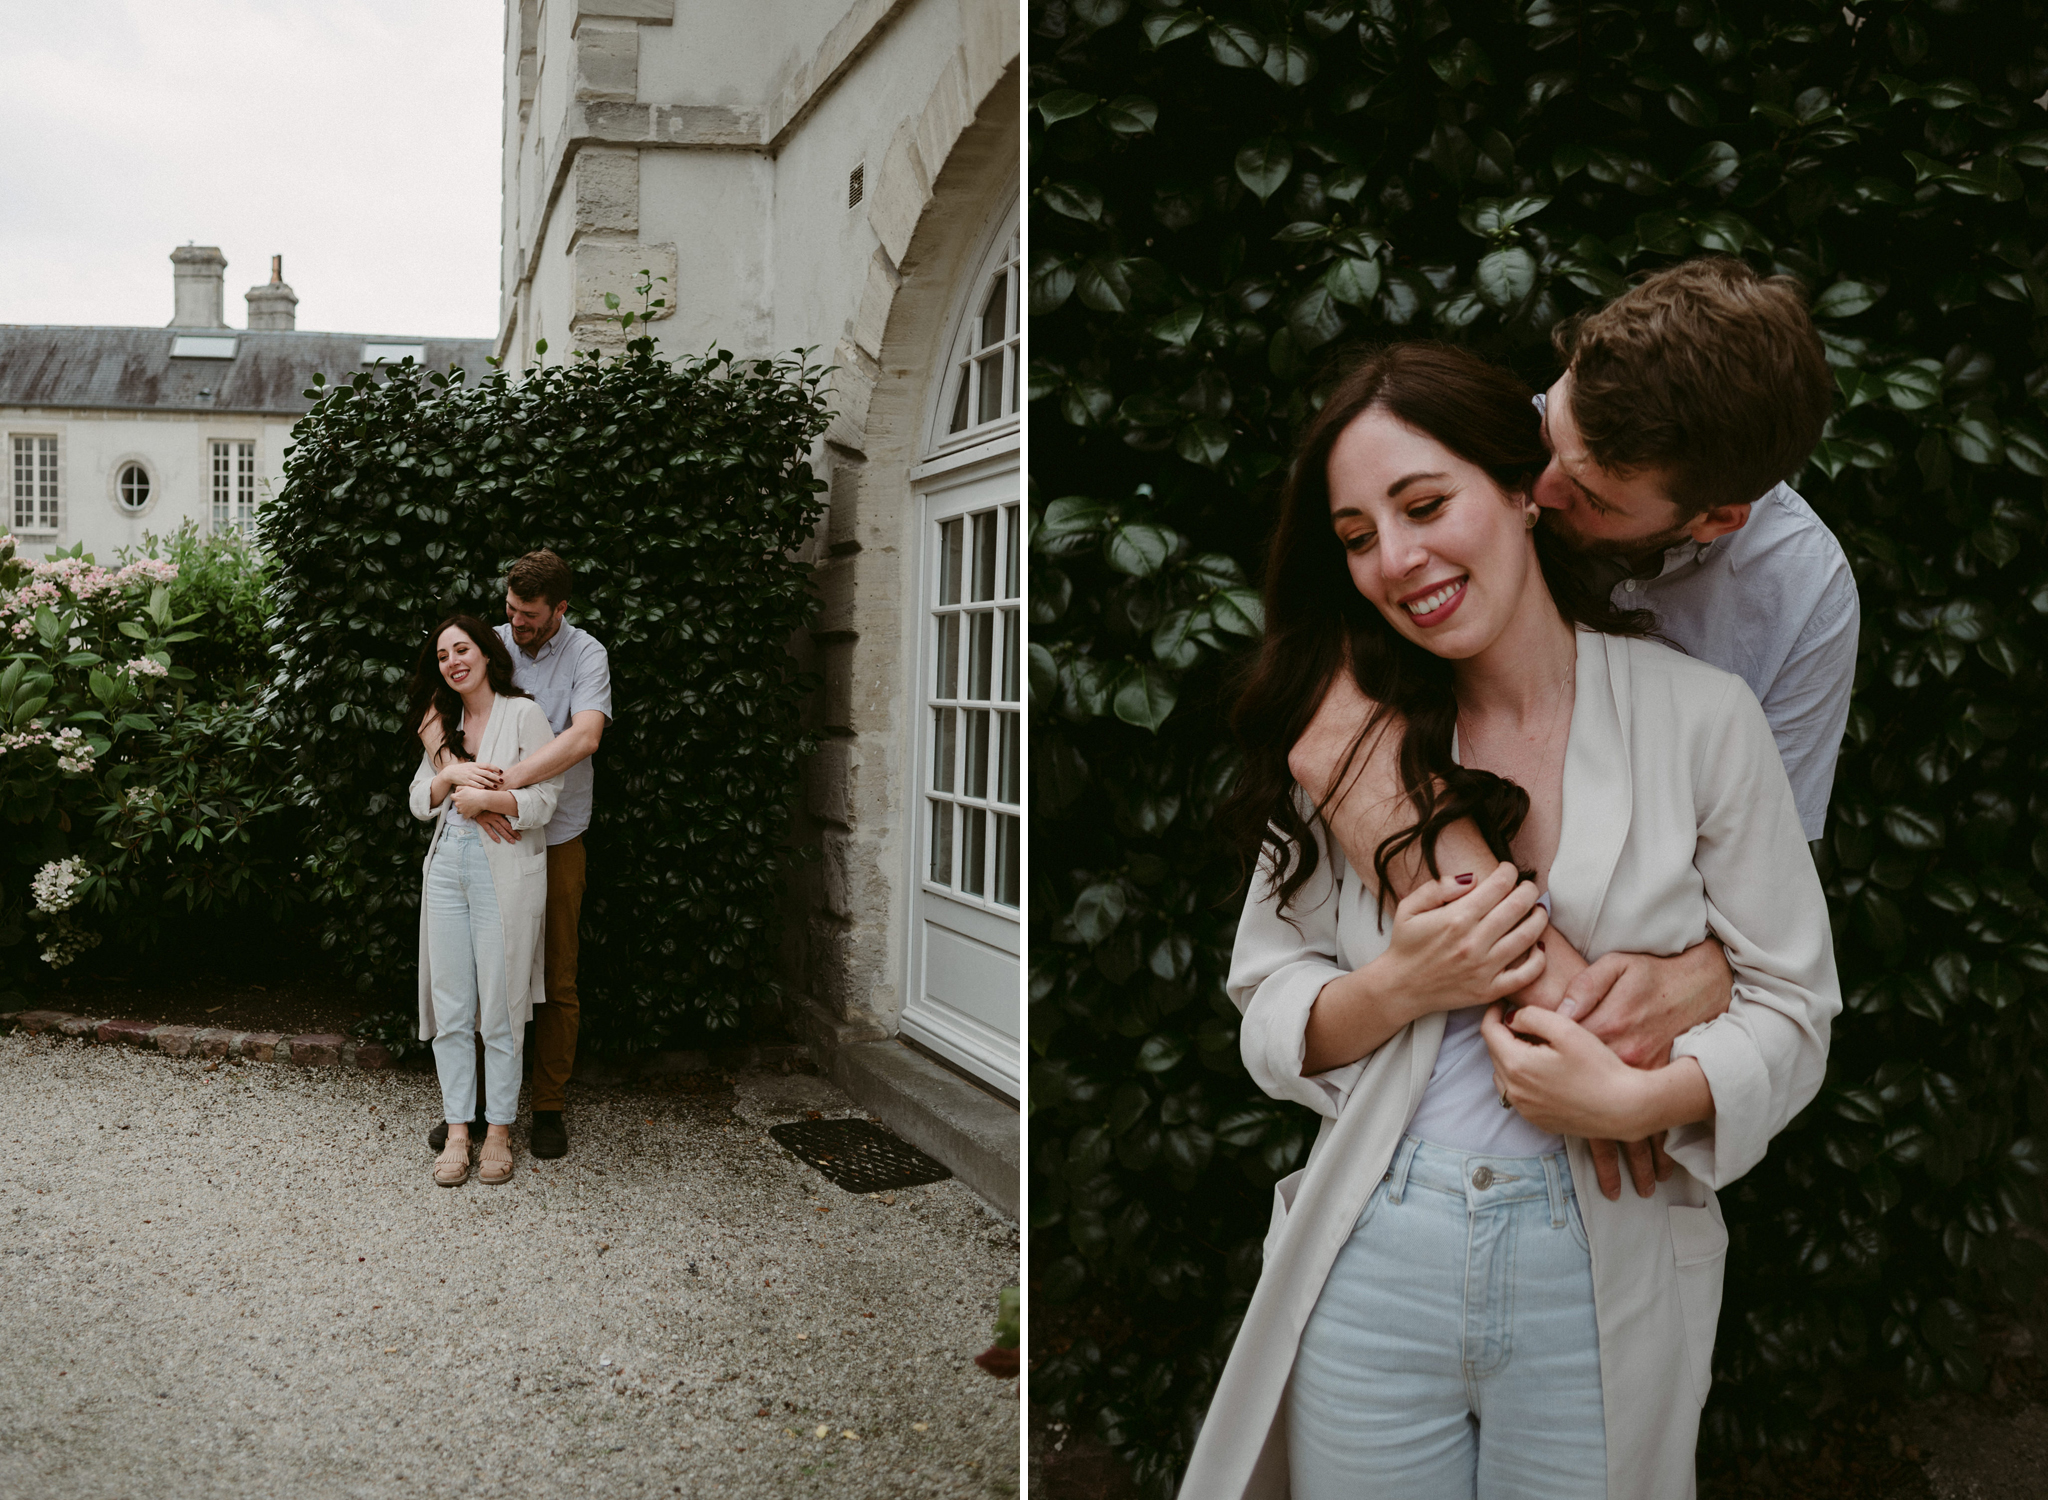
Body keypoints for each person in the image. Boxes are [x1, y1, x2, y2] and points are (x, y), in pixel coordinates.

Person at [1178, 344, 1841, 1499]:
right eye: (1353, 536)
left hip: (1601, 1269)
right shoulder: (1348, 740)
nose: (1395, 559)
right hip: (1374, 1252)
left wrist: (1646, 1098)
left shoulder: (1701, 719)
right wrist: (1397, 986)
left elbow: (1795, 1006)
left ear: (1521, 492)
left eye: (1423, 505)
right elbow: (1266, 1003)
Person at [1287, 256, 1856, 1201]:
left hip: (1624, 1173)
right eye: (1554, 432)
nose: (1541, 487)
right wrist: (1532, 966)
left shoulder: (1799, 598)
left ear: (1713, 519)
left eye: (1591, 498)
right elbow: (1332, 702)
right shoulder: (1501, 442)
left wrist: (1692, 1000)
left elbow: (1770, 884)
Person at [422, 549, 611, 1160]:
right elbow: (436, 708)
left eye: (528, 614)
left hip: (554, 833)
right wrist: (457, 775)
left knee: (552, 975)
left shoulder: (587, 654)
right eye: (510, 609)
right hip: (484, 836)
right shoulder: (492, 641)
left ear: (560, 608)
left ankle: (547, 1107)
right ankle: (472, 1112)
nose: (516, 623)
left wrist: (501, 792)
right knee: (478, 972)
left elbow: (584, 737)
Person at [406, 616, 562, 1188]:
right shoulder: (442, 727)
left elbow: (547, 797)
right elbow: (421, 798)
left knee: (500, 1006)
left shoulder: (523, 714)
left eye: (462, 649)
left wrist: (489, 800)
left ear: (487, 654)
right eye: (443, 655)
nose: (453, 661)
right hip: (447, 868)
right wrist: (451, 783)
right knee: (451, 1007)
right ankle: (457, 1131)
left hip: (506, 873)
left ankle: (498, 1130)